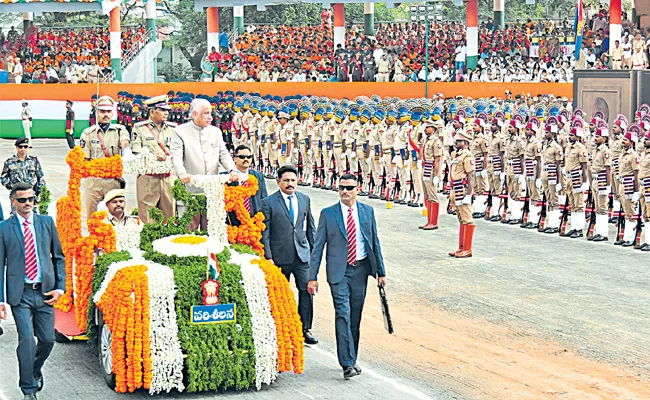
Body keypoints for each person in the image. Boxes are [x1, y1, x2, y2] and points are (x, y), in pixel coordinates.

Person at [308, 174, 387, 380]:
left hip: (360, 271)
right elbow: (318, 247)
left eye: (349, 188)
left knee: (355, 316)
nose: (345, 191)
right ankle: (346, 363)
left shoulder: (367, 212)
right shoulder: (328, 214)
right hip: (338, 272)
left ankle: (352, 358)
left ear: (357, 189)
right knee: (342, 313)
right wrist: (312, 276)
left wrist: (381, 272)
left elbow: (374, 242)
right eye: (341, 187)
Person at [0, 182, 66, 400]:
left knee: (47, 340)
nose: (27, 203)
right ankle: (28, 389)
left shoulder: (46, 223)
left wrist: (60, 288)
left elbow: (58, 257)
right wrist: (0, 300)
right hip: (21, 295)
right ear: (13, 202)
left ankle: (34, 369)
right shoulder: (4, 228)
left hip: (45, 293)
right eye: (22, 200)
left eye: (30, 199)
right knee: (27, 340)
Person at [261, 165, 317, 345]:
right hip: (279, 257)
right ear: (278, 182)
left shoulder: (304, 199)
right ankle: (282, 328)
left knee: (306, 292)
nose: (290, 184)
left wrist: (313, 255)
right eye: (286, 180)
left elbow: (310, 228)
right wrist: (268, 256)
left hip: (302, 256)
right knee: (280, 294)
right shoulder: (268, 202)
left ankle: (304, 329)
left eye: (293, 180)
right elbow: (265, 232)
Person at [170, 98, 238, 230]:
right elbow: (176, 156)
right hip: (189, 190)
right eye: (206, 113)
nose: (210, 118)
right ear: (195, 114)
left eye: (210, 113)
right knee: (189, 232)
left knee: (212, 231)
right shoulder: (180, 131)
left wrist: (232, 170)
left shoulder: (215, 132)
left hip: (212, 191)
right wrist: (182, 173)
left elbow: (223, 154)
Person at [79, 96, 132, 222]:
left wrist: (127, 150)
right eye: (102, 111)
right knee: (92, 217)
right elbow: (84, 159)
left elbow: (125, 142)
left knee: (116, 215)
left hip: (113, 180)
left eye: (108, 111)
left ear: (112, 113)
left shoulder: (120, 130)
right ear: (96, 112)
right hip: (93, 181)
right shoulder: (88, 133)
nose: (106, 115)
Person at [131, 95, 176, 224]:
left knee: (170, 218)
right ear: (152, 112)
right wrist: (152, 155)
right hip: (148, 179)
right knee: (147, 218)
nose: (166, 113)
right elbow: (136, 150)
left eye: (167, 110)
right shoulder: (140, 128)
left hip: (168, 178)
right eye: (162, 110)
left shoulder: (173, 128)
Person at [448, 129, 476, 258]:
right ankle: (461, 247)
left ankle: (468, 249)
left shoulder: (467, 156)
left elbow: (470, 175)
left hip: (463, 188)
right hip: (456, 187)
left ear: (465, 142)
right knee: (460, 218)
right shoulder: (457, 155)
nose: (456, 143)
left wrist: (469, 194)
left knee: (467, 218)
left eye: (458, 141)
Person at [1, 138, 46, 213]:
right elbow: (3, 178)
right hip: (17, 196)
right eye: (20, 147)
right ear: (16, 147)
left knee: (32, 217)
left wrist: (37, 192)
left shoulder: (34, 161)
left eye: (25, 147)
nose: (23, 149)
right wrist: (13, 188)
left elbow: (40, 177)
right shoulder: (10, 162)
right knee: (16, 218)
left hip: (31, 196)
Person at [228, 145, 268, 226]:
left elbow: (264, 199)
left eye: (249, 157)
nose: (246, 159)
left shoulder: (258, 176)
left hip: (254, 223)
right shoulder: (227, 177)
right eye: (242, 157)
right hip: (233, 223)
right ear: (235, 158)